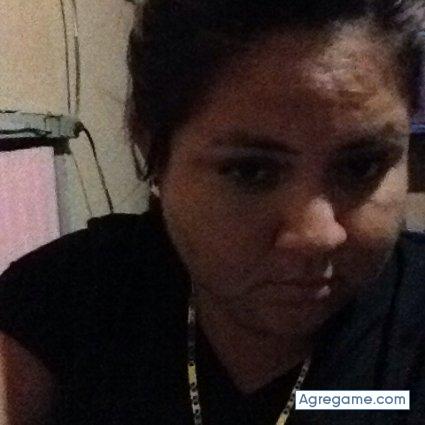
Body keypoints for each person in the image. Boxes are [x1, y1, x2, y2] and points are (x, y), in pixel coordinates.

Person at [0, 0, 424, 424]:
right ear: (151, 148)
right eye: (250, 171)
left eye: (361, 166)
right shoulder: (65, 300)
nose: (318, 236)